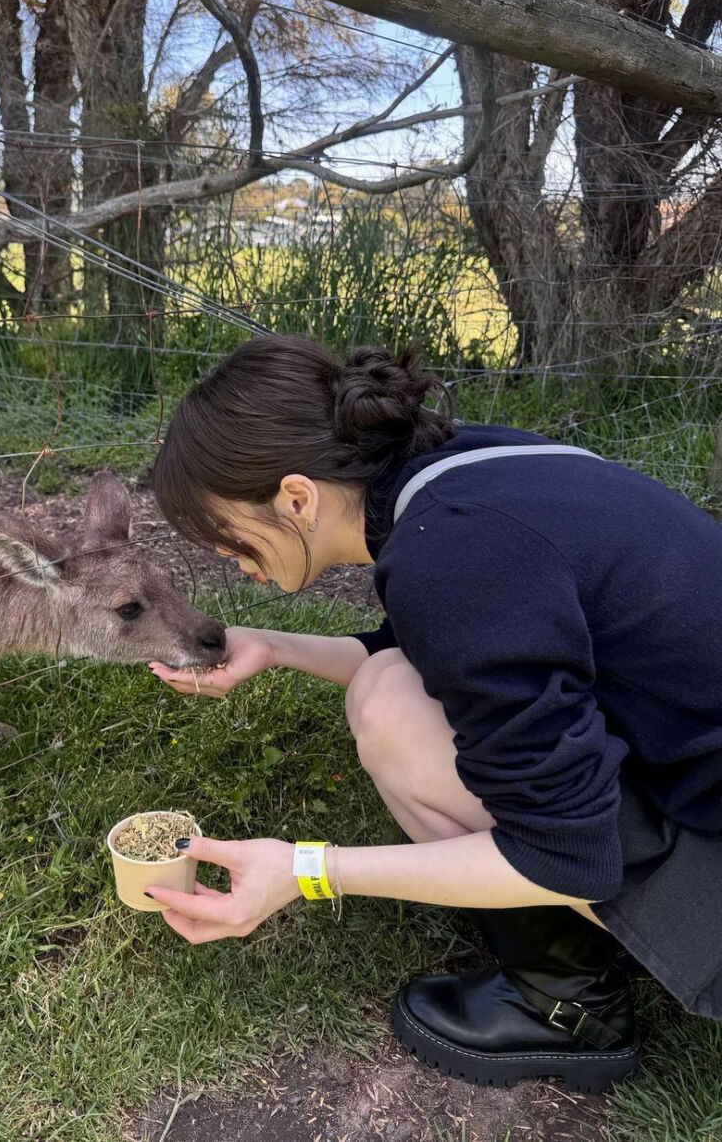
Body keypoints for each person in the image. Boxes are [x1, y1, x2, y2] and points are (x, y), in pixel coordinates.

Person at [143, 334, 722, 1094]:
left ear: (296, 498)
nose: (223, 553)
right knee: (390, 679)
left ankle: (568, 1008)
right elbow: (454, 650)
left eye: (224, 531)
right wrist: (276, 646)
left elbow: (565, 853)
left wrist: (308, 871)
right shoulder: (470, 476)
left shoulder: (448, 555)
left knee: (392, 710)